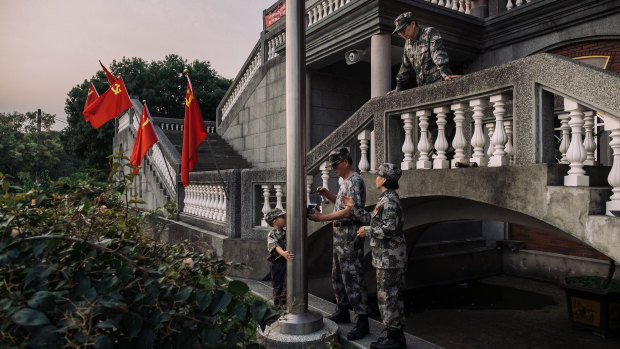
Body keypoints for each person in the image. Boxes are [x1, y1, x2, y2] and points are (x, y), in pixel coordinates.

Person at [308, 147, 370, 340]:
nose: (333, 168)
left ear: (345, 162)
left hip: (349, 235)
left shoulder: (355, 181)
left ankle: (362, 321)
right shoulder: (345, 182)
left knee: (353, 277)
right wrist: (328, 195)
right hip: (340, 235)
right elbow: (343, 205)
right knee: (338, 275)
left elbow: (350, 211)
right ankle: (342, 309)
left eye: (335, 164)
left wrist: (322, 218)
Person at [357, 163, 407, 349]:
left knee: (388, 296)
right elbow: (377, 219)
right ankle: (395, 335)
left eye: (378, 175)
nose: (376, 177)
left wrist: (367, 231)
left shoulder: (389, 201)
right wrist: (354, 209)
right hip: (388, 257)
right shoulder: (386, 199)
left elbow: (389, 229)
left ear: (384, 179)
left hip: (390, 258)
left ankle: (393, 339)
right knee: (391, 296)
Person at [387, 11, 459, 95]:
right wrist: (398, 89)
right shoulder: (407, 44)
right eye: (399, 32)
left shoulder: (430, 32)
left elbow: (438, 54)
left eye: (403, 30)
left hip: (438, 82)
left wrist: (446, 74)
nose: (402, 34)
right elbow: (404, 68)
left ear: (413, 24)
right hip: (422, 88)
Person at [265, 208, 294, 309]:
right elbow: (276, 246)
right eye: (282, 217)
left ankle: (285, 303)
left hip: (285, 261)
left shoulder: (285, 232)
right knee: (277, 283)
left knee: (287, 282)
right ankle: (277, 305)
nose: (285, 218)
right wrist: (283, 253)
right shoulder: (272, 234)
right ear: (275, 221)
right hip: (277, 263)